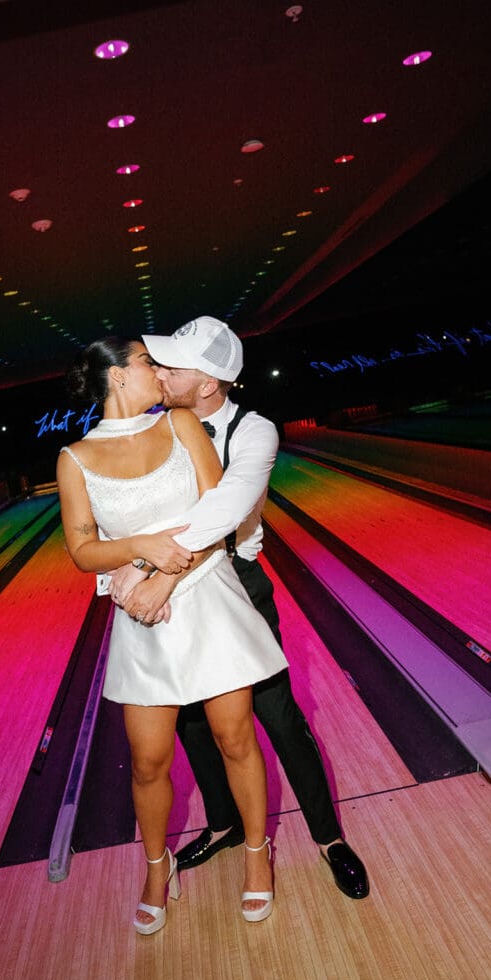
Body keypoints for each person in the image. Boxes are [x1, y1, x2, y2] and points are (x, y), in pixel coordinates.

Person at [108, 316, 369, 900]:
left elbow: (225, 507)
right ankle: (224, 823)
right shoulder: (154, 427)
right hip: (177, 590)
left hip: (234, 584)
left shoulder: (254, 432)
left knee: (278, 717)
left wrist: (152, 569)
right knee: (193, 724)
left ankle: (329, 838)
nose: (160, 372)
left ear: (207, 384)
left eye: (173, 366)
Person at [56, 335, 289, 935]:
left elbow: (220, 519)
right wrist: (139, 548)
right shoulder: (74, 458)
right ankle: (158, 867)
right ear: (116, 376)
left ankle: (257, 853)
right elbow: (82, 550)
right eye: (146, 362)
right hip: (142, 619)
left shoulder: (181, 424)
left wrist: (160, 575)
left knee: (235, 738)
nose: (159, 370)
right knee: (148, 761)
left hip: (207, 597)